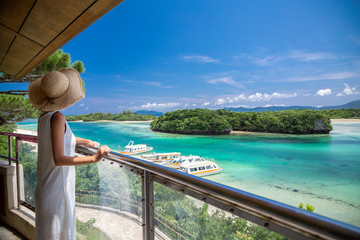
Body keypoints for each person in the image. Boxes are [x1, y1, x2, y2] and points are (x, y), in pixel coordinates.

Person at [28, 68, 111, 240]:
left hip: (47, 188)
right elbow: (59, 158)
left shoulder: (44, 117)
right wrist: (95, 158)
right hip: (56, 191)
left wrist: (87, 142)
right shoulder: (58, 117)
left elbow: (62, 139)